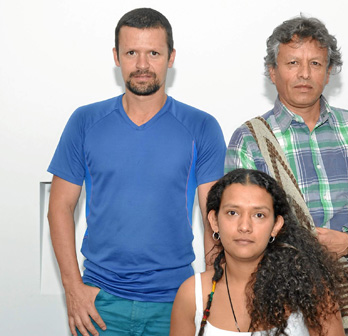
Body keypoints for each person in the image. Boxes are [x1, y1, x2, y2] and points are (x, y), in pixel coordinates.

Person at [47, 8, 226, 336]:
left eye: (154, 53)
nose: (142, 65)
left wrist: (211, 289)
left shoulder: (201, 127)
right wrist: (73, 289)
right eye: (132, 53)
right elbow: (59, 208)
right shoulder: (85, 122)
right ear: (116, 56)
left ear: (171, 57)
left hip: (176, 300)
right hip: (99, 302)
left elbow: (214, 215)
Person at [225, 15, 348, 335]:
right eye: (292, 62)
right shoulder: (250, 139)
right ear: (272, 72)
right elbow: (236, 225)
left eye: (315, 63)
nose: (304, 73)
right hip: (281, 293)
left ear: (328, 72)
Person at [170, 169, 346, 336]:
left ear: (276, 225)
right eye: (232, 213)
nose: (244, 226)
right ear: (214, 221)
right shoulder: (192, 294)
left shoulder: (311, 289)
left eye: (259, 215)